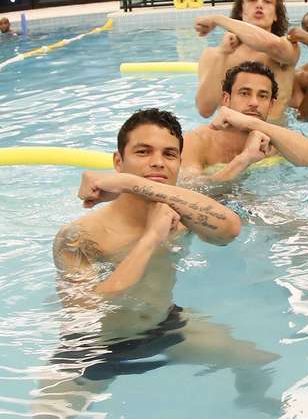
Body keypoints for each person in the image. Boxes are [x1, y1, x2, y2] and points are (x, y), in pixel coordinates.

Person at [41, 109, 278, 415]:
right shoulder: (80, 236)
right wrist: (151, 239)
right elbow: (90, 307)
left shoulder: (182, 213)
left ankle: (251, 400)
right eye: (143, 152)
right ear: (117, 161)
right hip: (95, 348)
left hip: (164, 326)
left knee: (256, 361)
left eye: (169, 154)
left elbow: (228, 231)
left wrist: (130, 182)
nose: (157, 162)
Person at [181, 61, 308, 183]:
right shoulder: (197, 141)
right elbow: (190, 189)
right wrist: (245, 159)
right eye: (244, 93)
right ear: (226, 99)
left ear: (270, 105)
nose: (254, 103)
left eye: (262, 96)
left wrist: (253, 123)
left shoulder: (275, 139)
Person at [194, 0, 298, 124]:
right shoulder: (214, 55)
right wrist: (222, 55)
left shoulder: (287, 49)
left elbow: (270, 44)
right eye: (252, 0)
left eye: (267, 1)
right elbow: (205, 110)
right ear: (241, 10)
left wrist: (218, 19)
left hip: (270, 139)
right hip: (228, 136)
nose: (259, 5)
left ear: (276, 15)